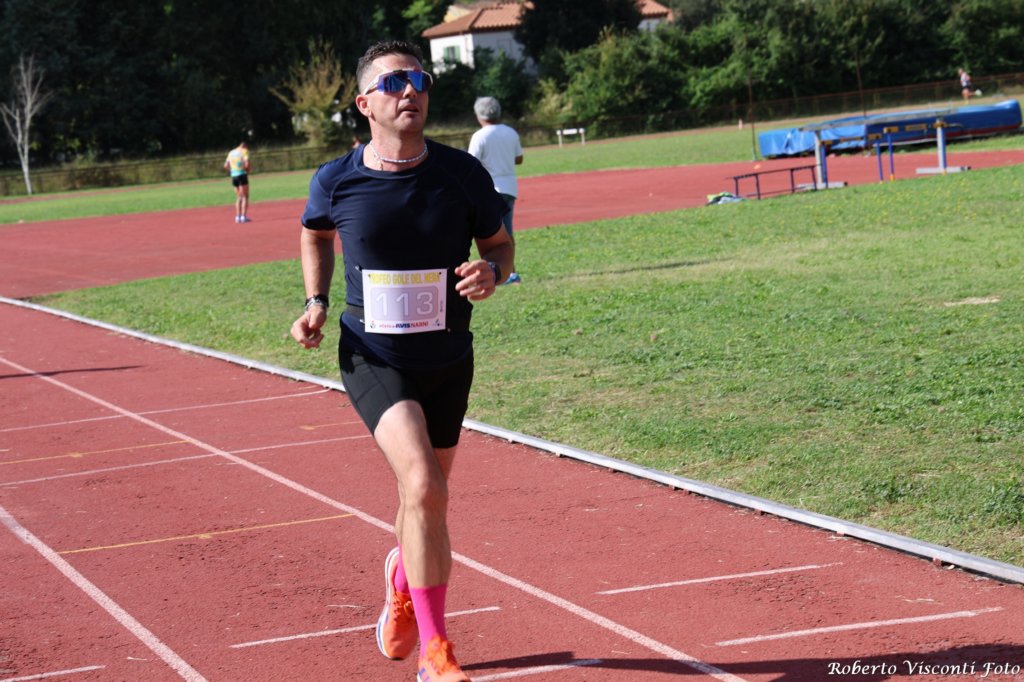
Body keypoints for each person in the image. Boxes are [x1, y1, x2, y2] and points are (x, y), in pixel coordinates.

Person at [289, 40, 513, 682]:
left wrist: (492, 273)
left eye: (419, 79)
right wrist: (315, 300)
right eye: (393, 83)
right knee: (423, 486)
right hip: (373, 354)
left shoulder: (461, 174)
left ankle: (400, 581)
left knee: (427, 502)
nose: (410, 90)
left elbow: (500, 246)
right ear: (365, 104)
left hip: (448, 357)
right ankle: (436, 652)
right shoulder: (336, 179)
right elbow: (314, 232)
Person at [468, 96, 523, 284]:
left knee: (489, 235)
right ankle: (511, 271)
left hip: (489, 189)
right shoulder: (511, 132)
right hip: (510, 187)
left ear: (478, 115)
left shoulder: (480, 136)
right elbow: (519, 158)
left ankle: (498, 272)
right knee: (507, 232)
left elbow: (471, 163)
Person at [224, 141, 251, 223]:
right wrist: (247, 170)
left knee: (239, 196)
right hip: (242, 174)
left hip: (234, 176)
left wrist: (232, 171)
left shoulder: (231, 152)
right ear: (245, 146)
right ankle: (243, 217)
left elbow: (225, 165)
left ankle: (237, 217)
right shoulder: (244, 151)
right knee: (245, 196)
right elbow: (247, 164)